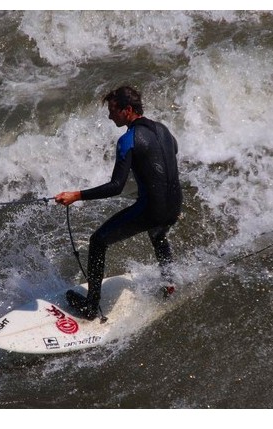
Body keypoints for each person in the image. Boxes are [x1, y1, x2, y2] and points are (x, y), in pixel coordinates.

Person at [55, 85, 182, 321]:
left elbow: (116, 186)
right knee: (158, 235)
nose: (109, 115)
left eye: (113, 110)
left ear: (128, 110)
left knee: (98, 241)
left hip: (152, 209)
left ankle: (91, 307)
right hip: (174, 205)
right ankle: (169, 283)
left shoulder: (128, 139)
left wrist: (76, 195)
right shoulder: (164, 130)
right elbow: (172, 150)